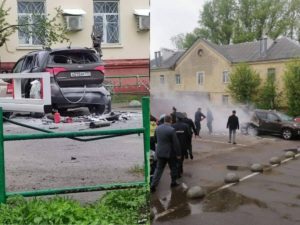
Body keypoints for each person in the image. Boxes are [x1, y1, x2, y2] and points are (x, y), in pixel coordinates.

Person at [150, 115, 181, 193]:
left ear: (164, 120)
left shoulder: (157, 128)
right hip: (170, 153)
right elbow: (176, 143)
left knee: (158, 169)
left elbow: (155, 139)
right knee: (173, 167)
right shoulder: (171, 130)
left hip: (159, 152)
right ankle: (173, 182)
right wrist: (178, 154)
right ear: (170, 121)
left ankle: (153, 185)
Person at [172, 112, 191, 178]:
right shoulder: (186, 126)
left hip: (175, 146)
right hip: (183, 145)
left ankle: (178, 171)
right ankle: (180, 170)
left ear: (177, 119)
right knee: (181, 158)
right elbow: (189, 135)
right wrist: (188, 144)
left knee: (176, 159)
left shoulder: (173, 126)